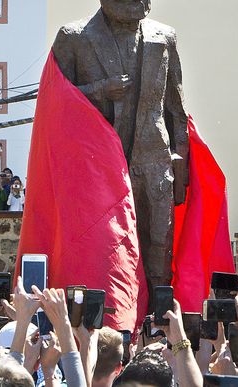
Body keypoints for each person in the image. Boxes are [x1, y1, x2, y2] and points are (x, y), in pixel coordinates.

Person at [52, 0, 190, 309]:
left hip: (153, 158)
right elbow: (55, 100)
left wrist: (181, 171)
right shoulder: (74, 37)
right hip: (97, 167)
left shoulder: (163, 37)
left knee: (158, 250)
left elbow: (176, 110)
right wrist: (101, 89)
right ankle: (108, 324)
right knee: (107, 252)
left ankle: (159, 326)